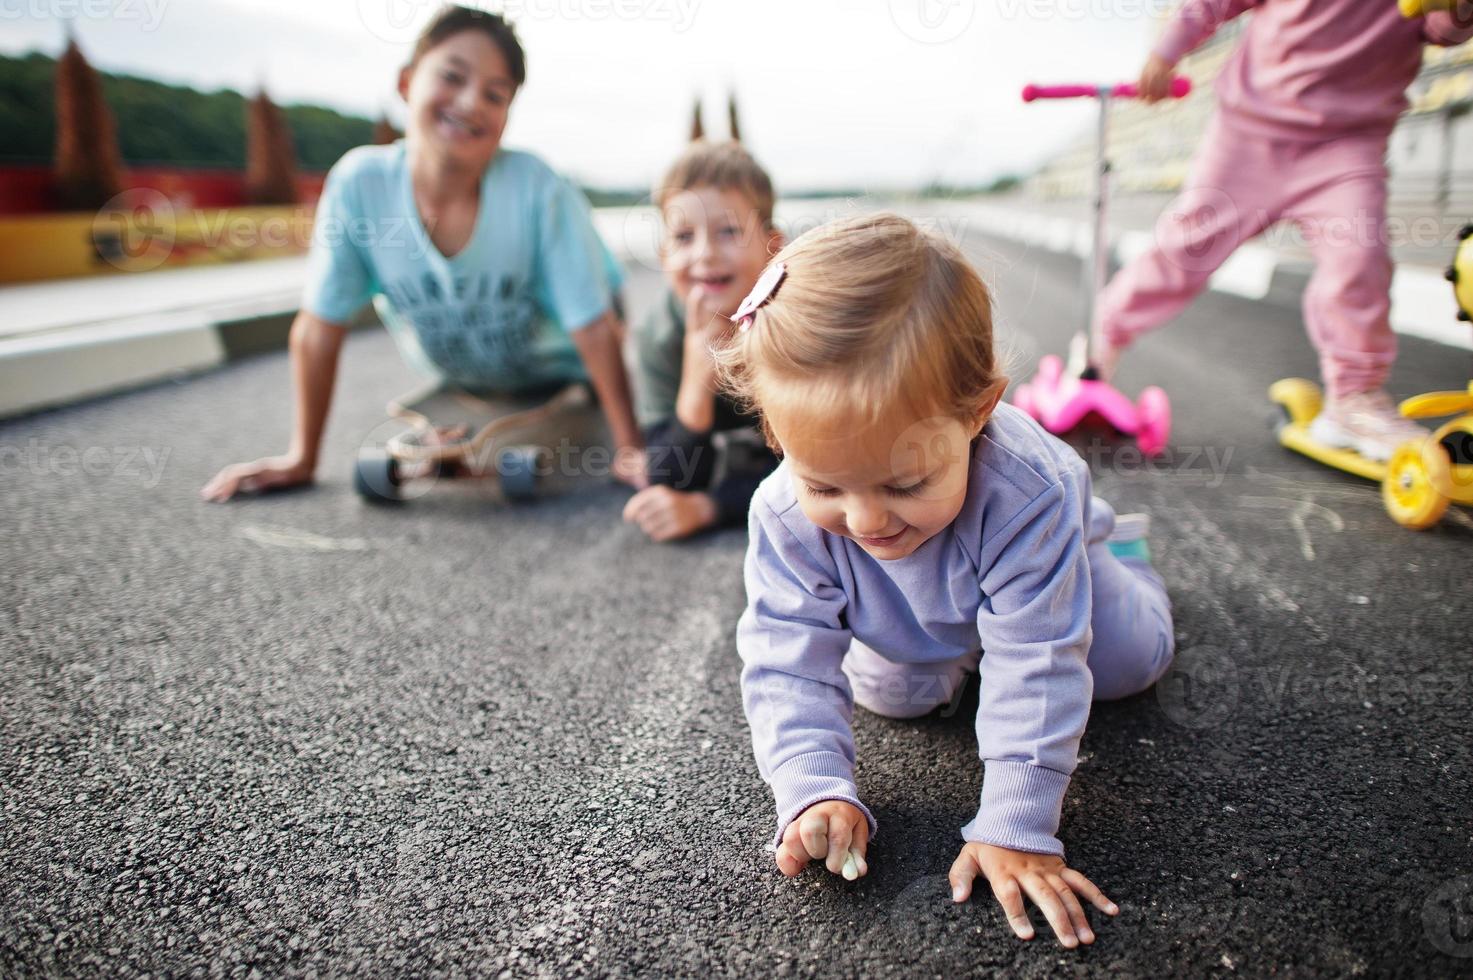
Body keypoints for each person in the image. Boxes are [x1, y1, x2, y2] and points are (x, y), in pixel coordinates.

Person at [718, 214, 1175, 949]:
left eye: (904, 481)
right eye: (826, 484)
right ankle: (956, 649)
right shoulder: (781, 512)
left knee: (1125, 664)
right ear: (777, 434)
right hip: (923, 608)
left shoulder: (1033, 489)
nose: (866, 520)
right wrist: (813, 788)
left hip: (1043, 575)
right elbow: (784, 662)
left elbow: (1037, 661)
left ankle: (1116, 553)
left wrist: (1014, 826)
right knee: (892, 697)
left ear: (977, 412)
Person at [202, 5, 645, 502]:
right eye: (452, 77)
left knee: (620, 327)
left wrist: (629, 446)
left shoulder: (535, 187)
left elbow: (593, 324)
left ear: (506, 118)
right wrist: (301, 457)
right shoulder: (360, 188)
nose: (472, 102)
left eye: (495, 95)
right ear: (407, 83)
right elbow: (319, 326)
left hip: (565, 355)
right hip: (457, 367)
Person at [1092, 0, 1473, 461]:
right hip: (1250, 135)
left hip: (1347, 144)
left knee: (1359, 258)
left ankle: (1353, 398)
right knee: (1183, 249)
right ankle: (1100, 343)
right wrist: (1166, 51)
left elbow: (1440, 30)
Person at [622, 133, 782, 542]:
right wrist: (696, 374)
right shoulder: (658, 334)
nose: (704, 254)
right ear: (663, 257)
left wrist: (710, 506)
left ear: (772, 245)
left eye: (728, 231)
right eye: (683, 237)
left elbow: (823, 468)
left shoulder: (795, 321)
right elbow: (669, 477)